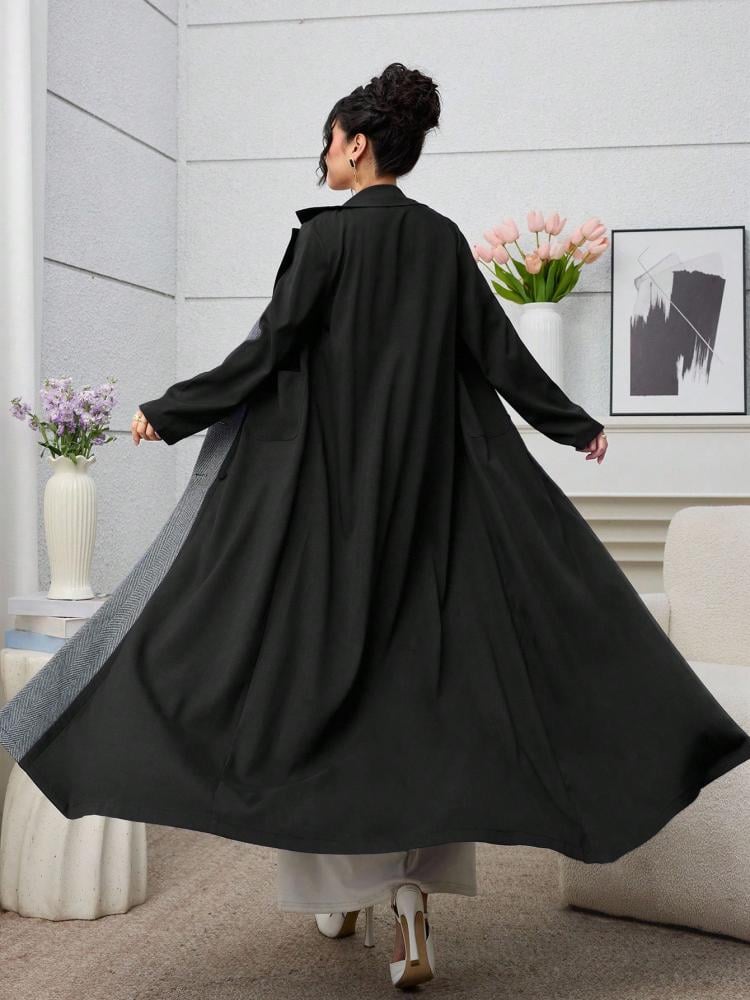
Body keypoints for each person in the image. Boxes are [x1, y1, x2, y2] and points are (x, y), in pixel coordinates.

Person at [3, 63, 750, 992]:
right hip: (431, 517)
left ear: (357, 145)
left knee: (314, 697)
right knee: (421, 704)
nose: (322, 157)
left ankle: (350, 895)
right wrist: (573, 425)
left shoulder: (324, 241)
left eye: (328, 141)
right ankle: (410, 902)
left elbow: (269, 350)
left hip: (326, 513)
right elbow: (499, 352)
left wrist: (175, 409)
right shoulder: (440, 241)